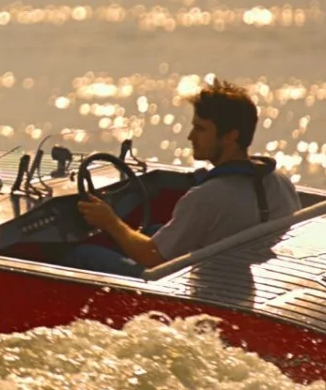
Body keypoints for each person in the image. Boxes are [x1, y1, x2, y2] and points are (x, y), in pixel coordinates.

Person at [65, 79, 301, 278]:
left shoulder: (206, 197)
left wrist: (110, 222)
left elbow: (153, 257)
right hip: (239, 271)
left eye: (201, 129)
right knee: (153, 229)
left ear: (230, 136)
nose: (190, 137)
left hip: (199, 286)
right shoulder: (280, 182)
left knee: (82, 254)